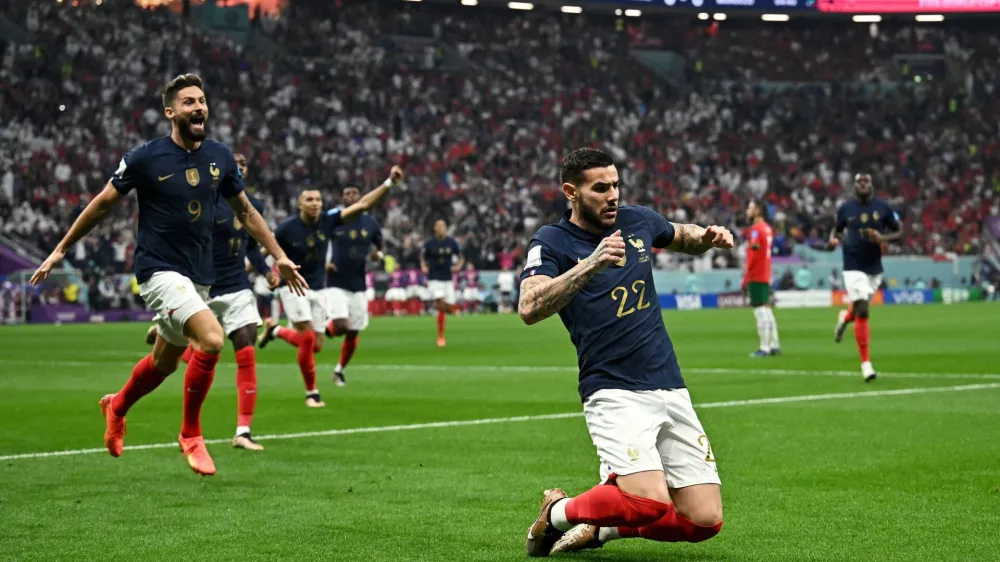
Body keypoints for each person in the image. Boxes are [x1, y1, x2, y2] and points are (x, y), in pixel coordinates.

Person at [29, 74, 306, 476]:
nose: (199, 107)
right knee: (212, 340)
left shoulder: (220, 156)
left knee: (164, 363)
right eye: (189, 101)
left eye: (202, 100)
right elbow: (103, 203)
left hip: (200, 275)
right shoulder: (145, 157)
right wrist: (61, 248)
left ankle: (117, 406)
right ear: (170, 112)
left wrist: (278, 256)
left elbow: (245, 211)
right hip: (158, 269)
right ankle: (191, 434)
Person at [517, 148, 732, 557]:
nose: (613, 195)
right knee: (648, 502)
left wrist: (706, 237)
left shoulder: (637, 220)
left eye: (616, 185)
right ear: (571, 192)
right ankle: (556, 512)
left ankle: (600, 531)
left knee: (704, 520)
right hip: (612, 387)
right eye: (600, 188)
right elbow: (529, 307)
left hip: (668, 382)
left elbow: (681, 235)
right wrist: (591, 263)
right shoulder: (552, 241)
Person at [144, 152, 277, 451]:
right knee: (198, 350)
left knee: (246, 346)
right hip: (203, 287)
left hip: (237, 287)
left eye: (243, 164)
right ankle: (169, 334)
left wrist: (267, 271)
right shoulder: (202, 200)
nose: (239, 167)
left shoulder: (253, 206)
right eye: (234, 163)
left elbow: (251, 247)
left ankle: (243, 431)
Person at [258, 167, 404, 406]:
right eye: (309, 200)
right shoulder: (286, 228)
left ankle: (276, 331)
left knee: (315, 345)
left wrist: (389, 183)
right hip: (292, 285)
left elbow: (363, 205)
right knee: (307, 338)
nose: (314, 203)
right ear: (300, 204)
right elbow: (265, 248)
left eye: (318, 200)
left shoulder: (328, 221)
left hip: (318, 288)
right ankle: (312, 393)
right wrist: (260, 271)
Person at [829, 173, 902, 382]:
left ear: (871, 185)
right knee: (863, 310)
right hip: (852, 265)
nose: (862, 184)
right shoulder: (846, 208)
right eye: (859, 182)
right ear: (854, 186)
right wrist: (833, 240)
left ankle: (844, 318)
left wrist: (883, 237)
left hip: (874, 267)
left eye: (866, 182)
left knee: (858, 309)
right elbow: (837, 230)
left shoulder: (883, 207)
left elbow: (900, 232)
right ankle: (866, 365)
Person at [322, 184, 385, 387]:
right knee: (341, 325)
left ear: (360, 196)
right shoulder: (334, 218)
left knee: (353, 331)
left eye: (354, 193)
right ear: (342, 198)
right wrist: (324, 262)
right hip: (336, 281)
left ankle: (339, 371)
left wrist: (378, 255)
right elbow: (319, 240)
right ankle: (322, 327)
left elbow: (380, 247)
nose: (350, 196)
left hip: (358, 283)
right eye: (346, 194)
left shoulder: (370, 222)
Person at [742, 200, 780, 357]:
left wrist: (746, 276)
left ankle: (764, 347)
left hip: (756, 274)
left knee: (759, 310)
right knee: (766, 308)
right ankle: (774, 344)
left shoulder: (756, 230)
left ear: (758, 211)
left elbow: (753, 255)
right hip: (765, 273)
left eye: (750, 208)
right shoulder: (767, 228)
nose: (747, 211)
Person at [421, 219, 464, 347]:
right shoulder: (429, 244)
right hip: (434, 278)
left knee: (448, 308)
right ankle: (440, 337)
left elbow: (461, 257)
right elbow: (422, 257)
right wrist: (423, 266)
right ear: (435, 228)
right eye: (438, 226)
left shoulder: (451, 242)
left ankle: (453, 310)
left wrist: (458, 266)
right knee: (440, 303)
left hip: (448, 278)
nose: (441, 228)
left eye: (443, 226)